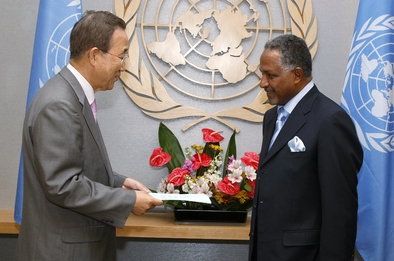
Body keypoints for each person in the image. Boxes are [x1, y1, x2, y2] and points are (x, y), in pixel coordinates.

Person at [14, 11, 163, 261]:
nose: (124, 65)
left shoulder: (71, 97)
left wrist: (118, 182)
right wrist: (126, 201)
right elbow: (63, 185)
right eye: (121, 55)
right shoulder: (60, 104)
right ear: (94, 55)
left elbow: (77, 166)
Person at [248, 34, 363, 260]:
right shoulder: (271, 118)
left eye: (270, 75)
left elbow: (339, 211)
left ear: (297, 75)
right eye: (262, 74)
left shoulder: (330, 121)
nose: (263, 83)